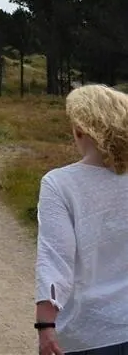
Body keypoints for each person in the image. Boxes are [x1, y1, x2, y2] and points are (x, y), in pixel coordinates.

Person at [34, 84, 128, 355]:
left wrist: (45, 325)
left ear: (80, 130)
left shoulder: (59, 184)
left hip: (88, 333)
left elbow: (54, 258)